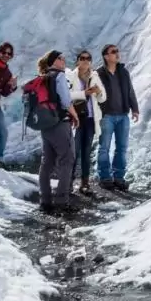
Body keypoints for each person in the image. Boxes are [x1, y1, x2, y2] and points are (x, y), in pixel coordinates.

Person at [37, 50, 80, 214]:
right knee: (67, 159)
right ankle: (62, 201)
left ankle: (45, 201)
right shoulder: (59, 76)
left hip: (46, 124)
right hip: (60, 123)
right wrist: (75, 115)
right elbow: (66, 100)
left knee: (46, 162)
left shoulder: (43, 77)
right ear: (54, 61)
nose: (64, 60)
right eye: (60, 58)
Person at [96, 44, 140, 191]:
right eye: (113, 52)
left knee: (121, 148)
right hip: (106, 116)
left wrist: (135, 108)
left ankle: (119, 178)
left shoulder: (123, 72)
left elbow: (130, 91)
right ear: (106, 56)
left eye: (117, 51)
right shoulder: (99, 74)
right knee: (104, 148)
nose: (117, 54)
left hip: (123, 115)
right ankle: (105, 177)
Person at [68, 50, 106, 195]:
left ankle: (85, 183)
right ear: (77, 61)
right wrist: (84, 93)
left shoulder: (94, 76)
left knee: (86, 152)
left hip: (90, 119)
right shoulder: (71, 76)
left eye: (88, 58)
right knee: (74, 152)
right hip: (76, 119)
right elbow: (66, 96)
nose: (85, 61)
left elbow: (103, 98)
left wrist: (98, 92)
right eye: (82, 58)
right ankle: (69, 182)